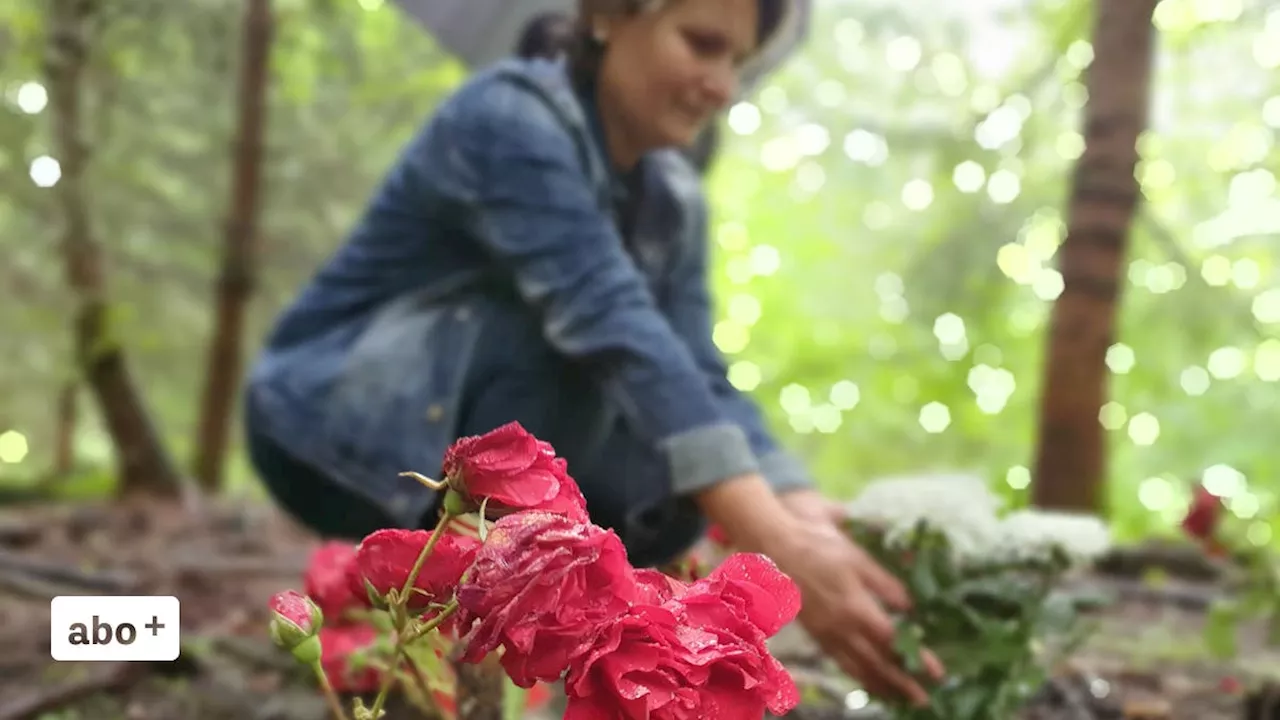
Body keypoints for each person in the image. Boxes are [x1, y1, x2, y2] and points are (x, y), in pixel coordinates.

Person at [243, 0, 942, 705]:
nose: (724, 86)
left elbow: (695, 366)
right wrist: (782, 549)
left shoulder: (673, 197)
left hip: (471, 428)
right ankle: (473, 655)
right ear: (608, 14)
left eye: (738, 61)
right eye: (703, 45)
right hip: (330, 428)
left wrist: (795, 503)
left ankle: (545, 664)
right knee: (587, 358)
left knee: (680, 490)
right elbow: (613, 325)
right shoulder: (508, 117)